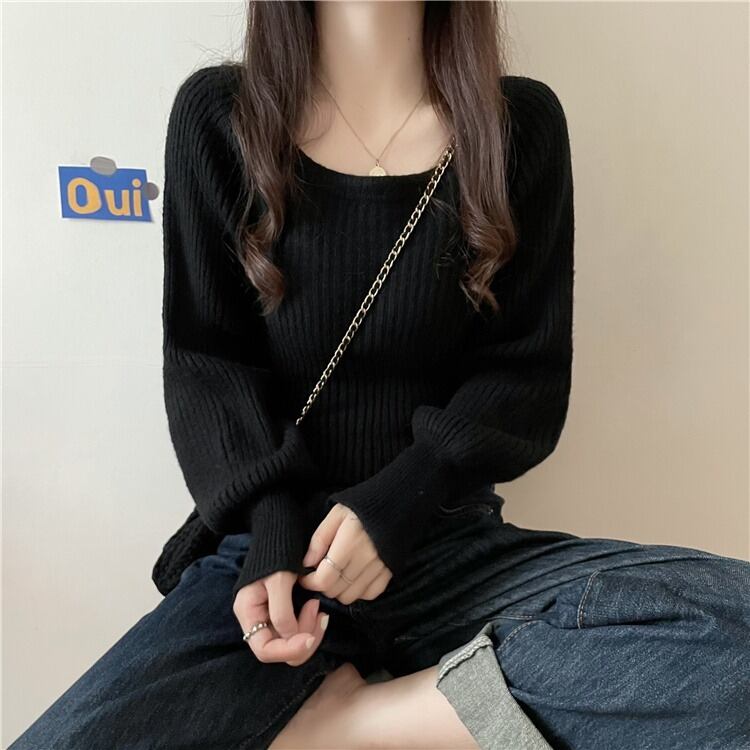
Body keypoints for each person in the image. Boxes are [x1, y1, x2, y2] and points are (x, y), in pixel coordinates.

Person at [10, 2, 750, 749]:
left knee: (734, 632)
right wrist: (271, 526)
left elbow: (524, 374)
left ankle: (352, 722)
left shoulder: (517, 126)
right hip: (278, 565)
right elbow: (208, 367)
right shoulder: (221, 116)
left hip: (450, 546)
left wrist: (405, 500)